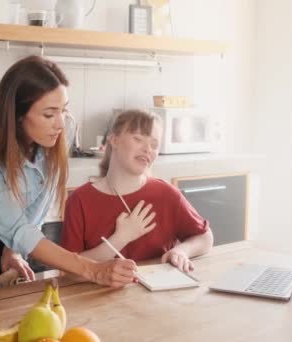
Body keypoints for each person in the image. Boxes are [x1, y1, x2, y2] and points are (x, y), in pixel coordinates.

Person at [0, 56, 137, 295]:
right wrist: (94, 270)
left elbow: (41, 200)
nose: (60, 124)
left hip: (15, 219)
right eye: (49, 114)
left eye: (63, 110)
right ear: (18, 114)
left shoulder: (60, 132)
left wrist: (12, 248)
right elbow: (17, 230)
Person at [61, 109, 214, 272]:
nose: (148, 149)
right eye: (138, 139)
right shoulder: (80, 200)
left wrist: (181, 251)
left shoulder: (166, 195)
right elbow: (69, 270)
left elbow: (205, 237)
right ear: (114, 140)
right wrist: (121, 238)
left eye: (154, 144)